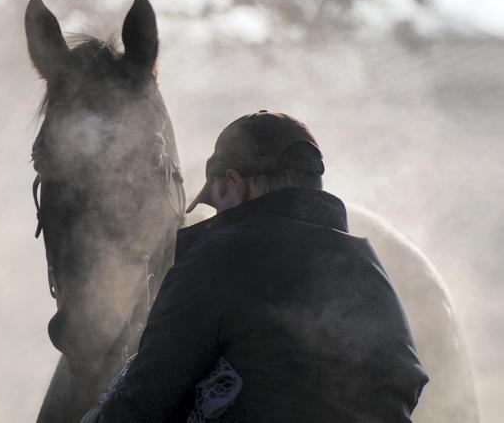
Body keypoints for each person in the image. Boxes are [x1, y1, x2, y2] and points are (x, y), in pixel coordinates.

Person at [84, 110, 428, 422]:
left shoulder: (219, 255)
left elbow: (147, 395)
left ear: (233, 183)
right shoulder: (366, 265)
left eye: (217, 200)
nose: (218, 216)